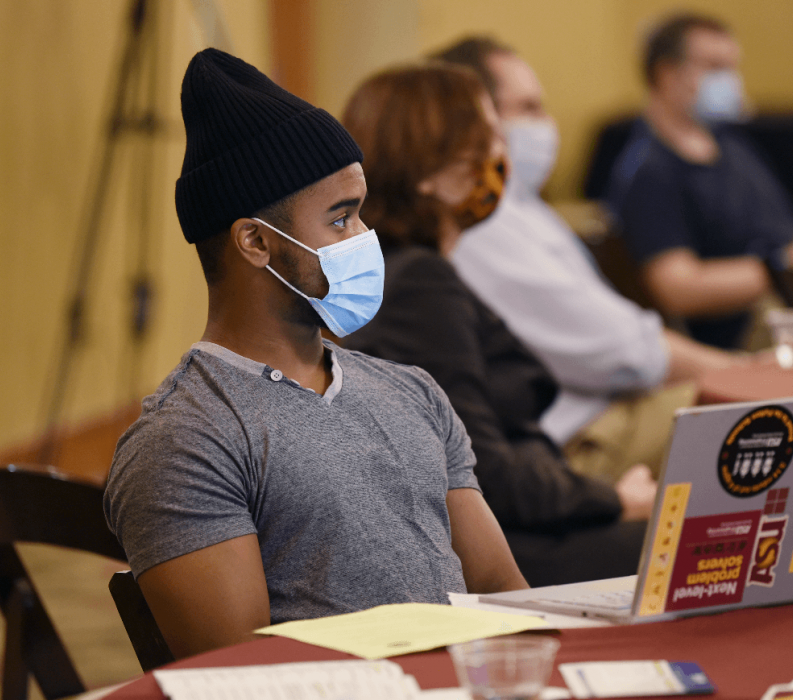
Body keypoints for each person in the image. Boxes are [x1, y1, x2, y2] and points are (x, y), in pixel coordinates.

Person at [103, 49, 527, 660]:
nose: (365, 239)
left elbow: (501, 593)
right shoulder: (188, 438)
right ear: (254, 241)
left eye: (359, 214)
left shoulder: (412, 392)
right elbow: (241, 672)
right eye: (340, 219)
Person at [342, 63, 657, 587]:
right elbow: (483, 472)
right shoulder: (420, 281)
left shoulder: (400, 272)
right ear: (427, 171)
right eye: (483, 137)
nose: (499, 153)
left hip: (516, 516)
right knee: (682, 544)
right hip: (497, 548)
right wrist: (614, 501)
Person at [431, 37, 735, 480]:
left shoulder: (519, 205)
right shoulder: (478, 224)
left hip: (618, 407)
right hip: (581, 439)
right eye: (528, 108)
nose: (546, 125)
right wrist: (746, 373)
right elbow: (619, 350)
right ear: (476, 120)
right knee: (771, 412)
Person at [607, 14, 793, 349]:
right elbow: (678, 289)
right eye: (714, 67)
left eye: (731, 67)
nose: (729, 80)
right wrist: (787, 265)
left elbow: (785, 238)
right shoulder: (648, 172)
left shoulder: (732, 147)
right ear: (667, 74)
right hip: (754, 333)